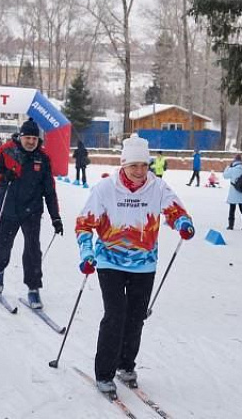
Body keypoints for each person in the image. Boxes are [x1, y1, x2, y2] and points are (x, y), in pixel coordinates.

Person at [75, 133, 195, 394]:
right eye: (134, 165)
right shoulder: (105, 189)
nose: (139, 171)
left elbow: (176, 211)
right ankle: (104, 372)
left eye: (144, 165)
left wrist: (183, 223)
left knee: (136, 317)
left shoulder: (157, 187)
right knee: (116, 315)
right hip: (109, 260)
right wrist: (86, 253)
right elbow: (84, 223)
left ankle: (125, 365)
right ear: (123, 164)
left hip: (144, 263)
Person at [0, 118, 63, 308]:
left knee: (32, 249)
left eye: (34, 139)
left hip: (32, 210)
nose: (30, 142)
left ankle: (33, 288)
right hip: (8, 208)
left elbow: (50, 191)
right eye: (27, 137)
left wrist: (56, 217)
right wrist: (4, 177)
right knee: (4, 246)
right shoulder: (6, 151)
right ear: (20, 137)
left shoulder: (43, 159)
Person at [223, 154, 242, 231]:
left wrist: (227, 167)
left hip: (234, 192)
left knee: (232, 209)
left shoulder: (232, 169)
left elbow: (225, 176)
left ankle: (231, 226)